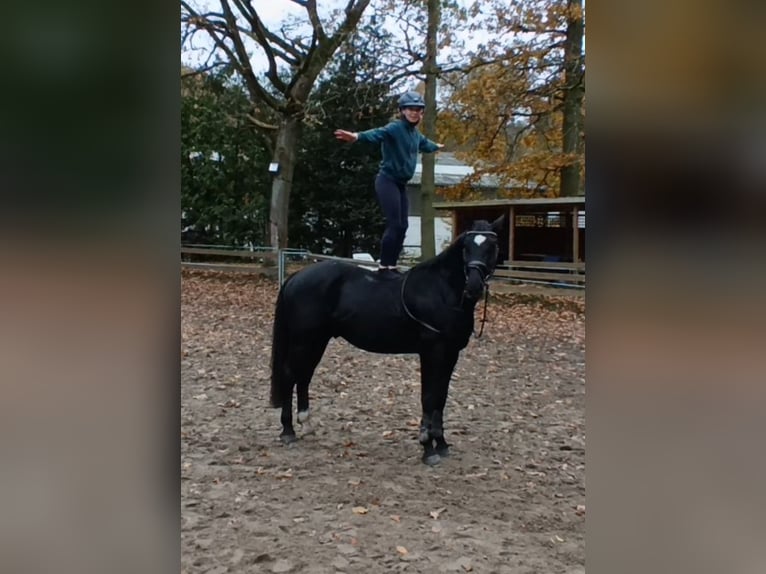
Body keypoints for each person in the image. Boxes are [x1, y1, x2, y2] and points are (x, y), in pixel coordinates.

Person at [334, 91, 444, 274]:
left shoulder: (415, 135)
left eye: (418, 110)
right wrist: (356, 136)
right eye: (410, 109)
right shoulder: (395, 128)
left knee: (403, 225)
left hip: (401, 184)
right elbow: (378, 134)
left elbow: (425, 143)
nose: (414, 113)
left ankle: (392, 264)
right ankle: (384, 266)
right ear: (402, 110)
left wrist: (436, 146)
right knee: (394, 224)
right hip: (387, 180)